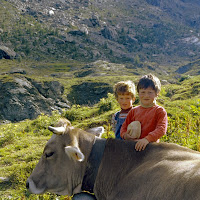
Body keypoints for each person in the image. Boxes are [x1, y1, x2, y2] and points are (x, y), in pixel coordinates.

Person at [120, 74, 168, 151]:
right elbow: (124, 127)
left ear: (157, 93)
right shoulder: (133, 111)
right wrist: (125, 135)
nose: (146, 95)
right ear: (138, 93)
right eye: (143, 92)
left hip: (151, 148)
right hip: (133, 147)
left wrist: (147, 139)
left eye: (150, 92)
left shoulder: (159, 111)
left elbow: (161, 129)